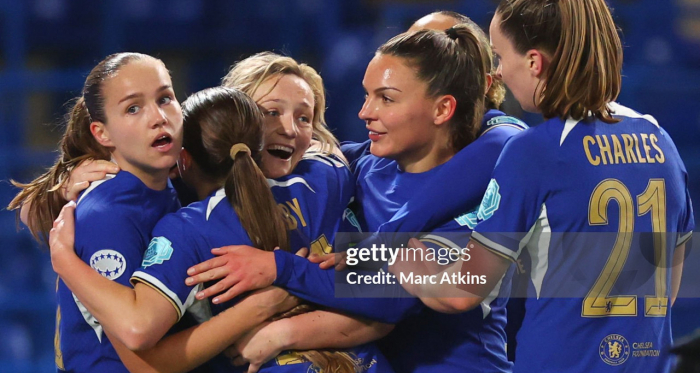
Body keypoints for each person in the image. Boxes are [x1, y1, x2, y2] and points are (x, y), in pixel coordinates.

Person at [187, 21, 525, 373]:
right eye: (367, 95)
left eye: (386, 98)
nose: (365, 112)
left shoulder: (481, 202)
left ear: (442, 109)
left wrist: (280, 275)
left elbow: (391, 297)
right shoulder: (360, 168)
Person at [390, 0, 695, 372]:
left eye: (501, 58)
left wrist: (410, 266)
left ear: (534, 63)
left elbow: (462, 291)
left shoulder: (534, 151)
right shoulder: (661, 140)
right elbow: (670, 285)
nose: (499, 73)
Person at [49, 86, 383, 373]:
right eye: (272, 112)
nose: (289, 130)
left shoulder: (184, 229)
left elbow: (146, 359)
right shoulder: (328, 177)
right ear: (257, 138)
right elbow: (394, 295)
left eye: (303, 117)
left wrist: (62, 257)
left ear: (184, 159)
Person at [9, 52, 186, 371]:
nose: (158, 117)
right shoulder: (110, 212)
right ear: (101, 133)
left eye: (165, 98)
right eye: (133, 108)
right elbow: (141, 359)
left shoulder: (175, 180)